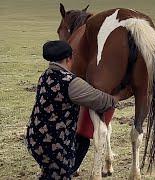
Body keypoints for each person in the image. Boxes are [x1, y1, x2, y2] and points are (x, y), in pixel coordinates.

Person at [25, 40, 130, 179]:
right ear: (69, 59)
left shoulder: (45, 75)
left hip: (34, 137)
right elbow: (102, 101)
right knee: (60, 173)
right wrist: (121, 95)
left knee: (81, 143)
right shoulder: (71, 82)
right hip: (54, 143)